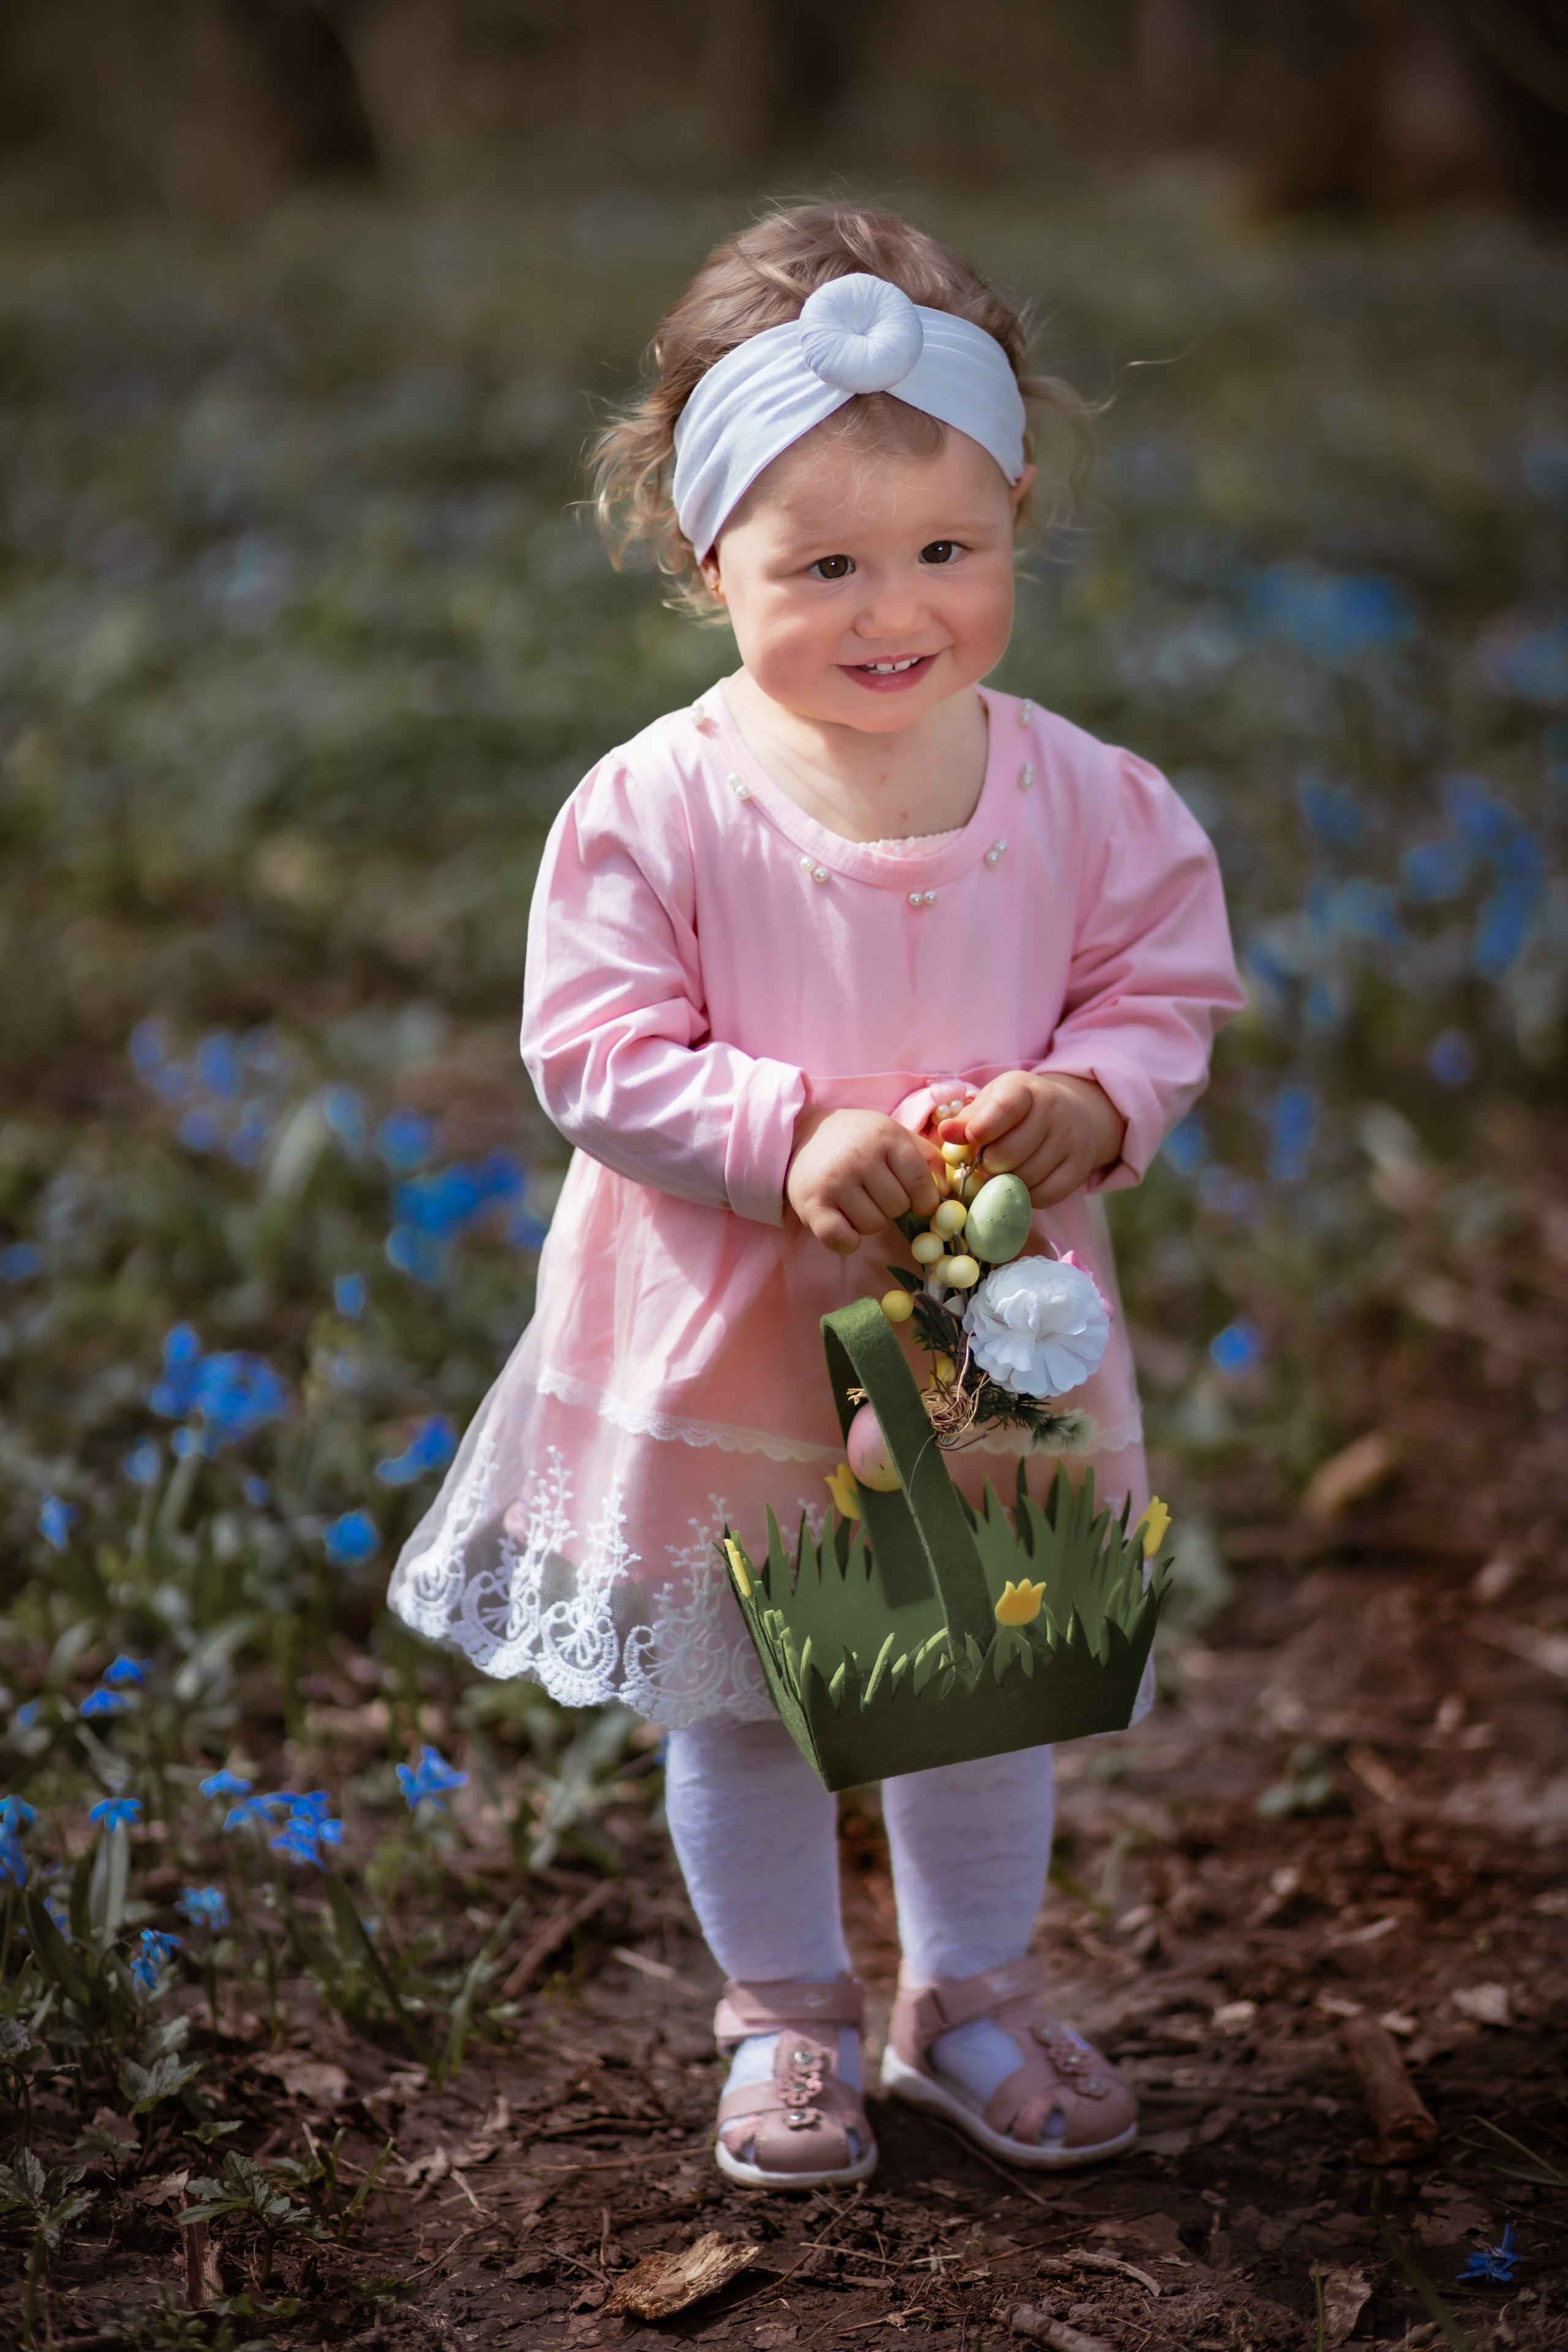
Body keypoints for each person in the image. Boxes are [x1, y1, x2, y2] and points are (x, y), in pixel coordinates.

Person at [389, 202, 1243, 2190]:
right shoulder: (659, 804)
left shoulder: (1083, 794)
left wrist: (1092, 1098)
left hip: (978, 1326)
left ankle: (969, 1994)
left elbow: (1163, 985)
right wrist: (782, 1136)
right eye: (826, 564)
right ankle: (784, 2012)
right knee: (759, 1691)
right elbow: (592, 1051)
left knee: (977, 1658)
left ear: (1017, 516)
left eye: (951, 551)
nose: (897, 609)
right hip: (737, 1331)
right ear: (707, 557)